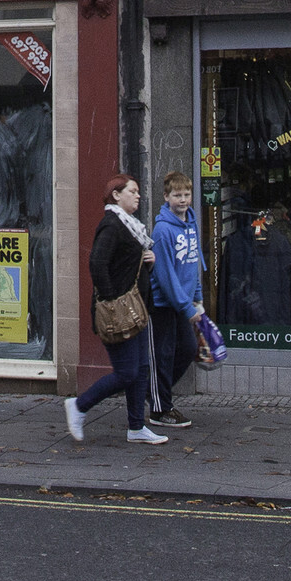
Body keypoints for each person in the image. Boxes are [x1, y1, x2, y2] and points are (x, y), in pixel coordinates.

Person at [64, 174, 167, 446]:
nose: (138, 195)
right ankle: (79, 405)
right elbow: (97, 263)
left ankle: (136, 427)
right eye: (132, 191)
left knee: (141, 368)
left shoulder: (131, 226)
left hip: (136, 309)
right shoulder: (112, 224)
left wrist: (149, 261)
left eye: (137, 191)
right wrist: (112, 301)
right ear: (116, 195)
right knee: (126, 373)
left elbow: (123, 265)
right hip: (118, 312)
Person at [149, 170, 204, 426]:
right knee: (165, 353)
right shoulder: (162, 230)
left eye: (186, 194)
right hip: (163, 304)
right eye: (177, 195)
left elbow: (193, 263)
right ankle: (160, 409)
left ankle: (157, 393)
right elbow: (165, 274)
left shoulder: (191, 223)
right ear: (166, 196)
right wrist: (185, 306)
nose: (182, 200)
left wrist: (198, 297)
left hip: (183, 303)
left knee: (188, 349)